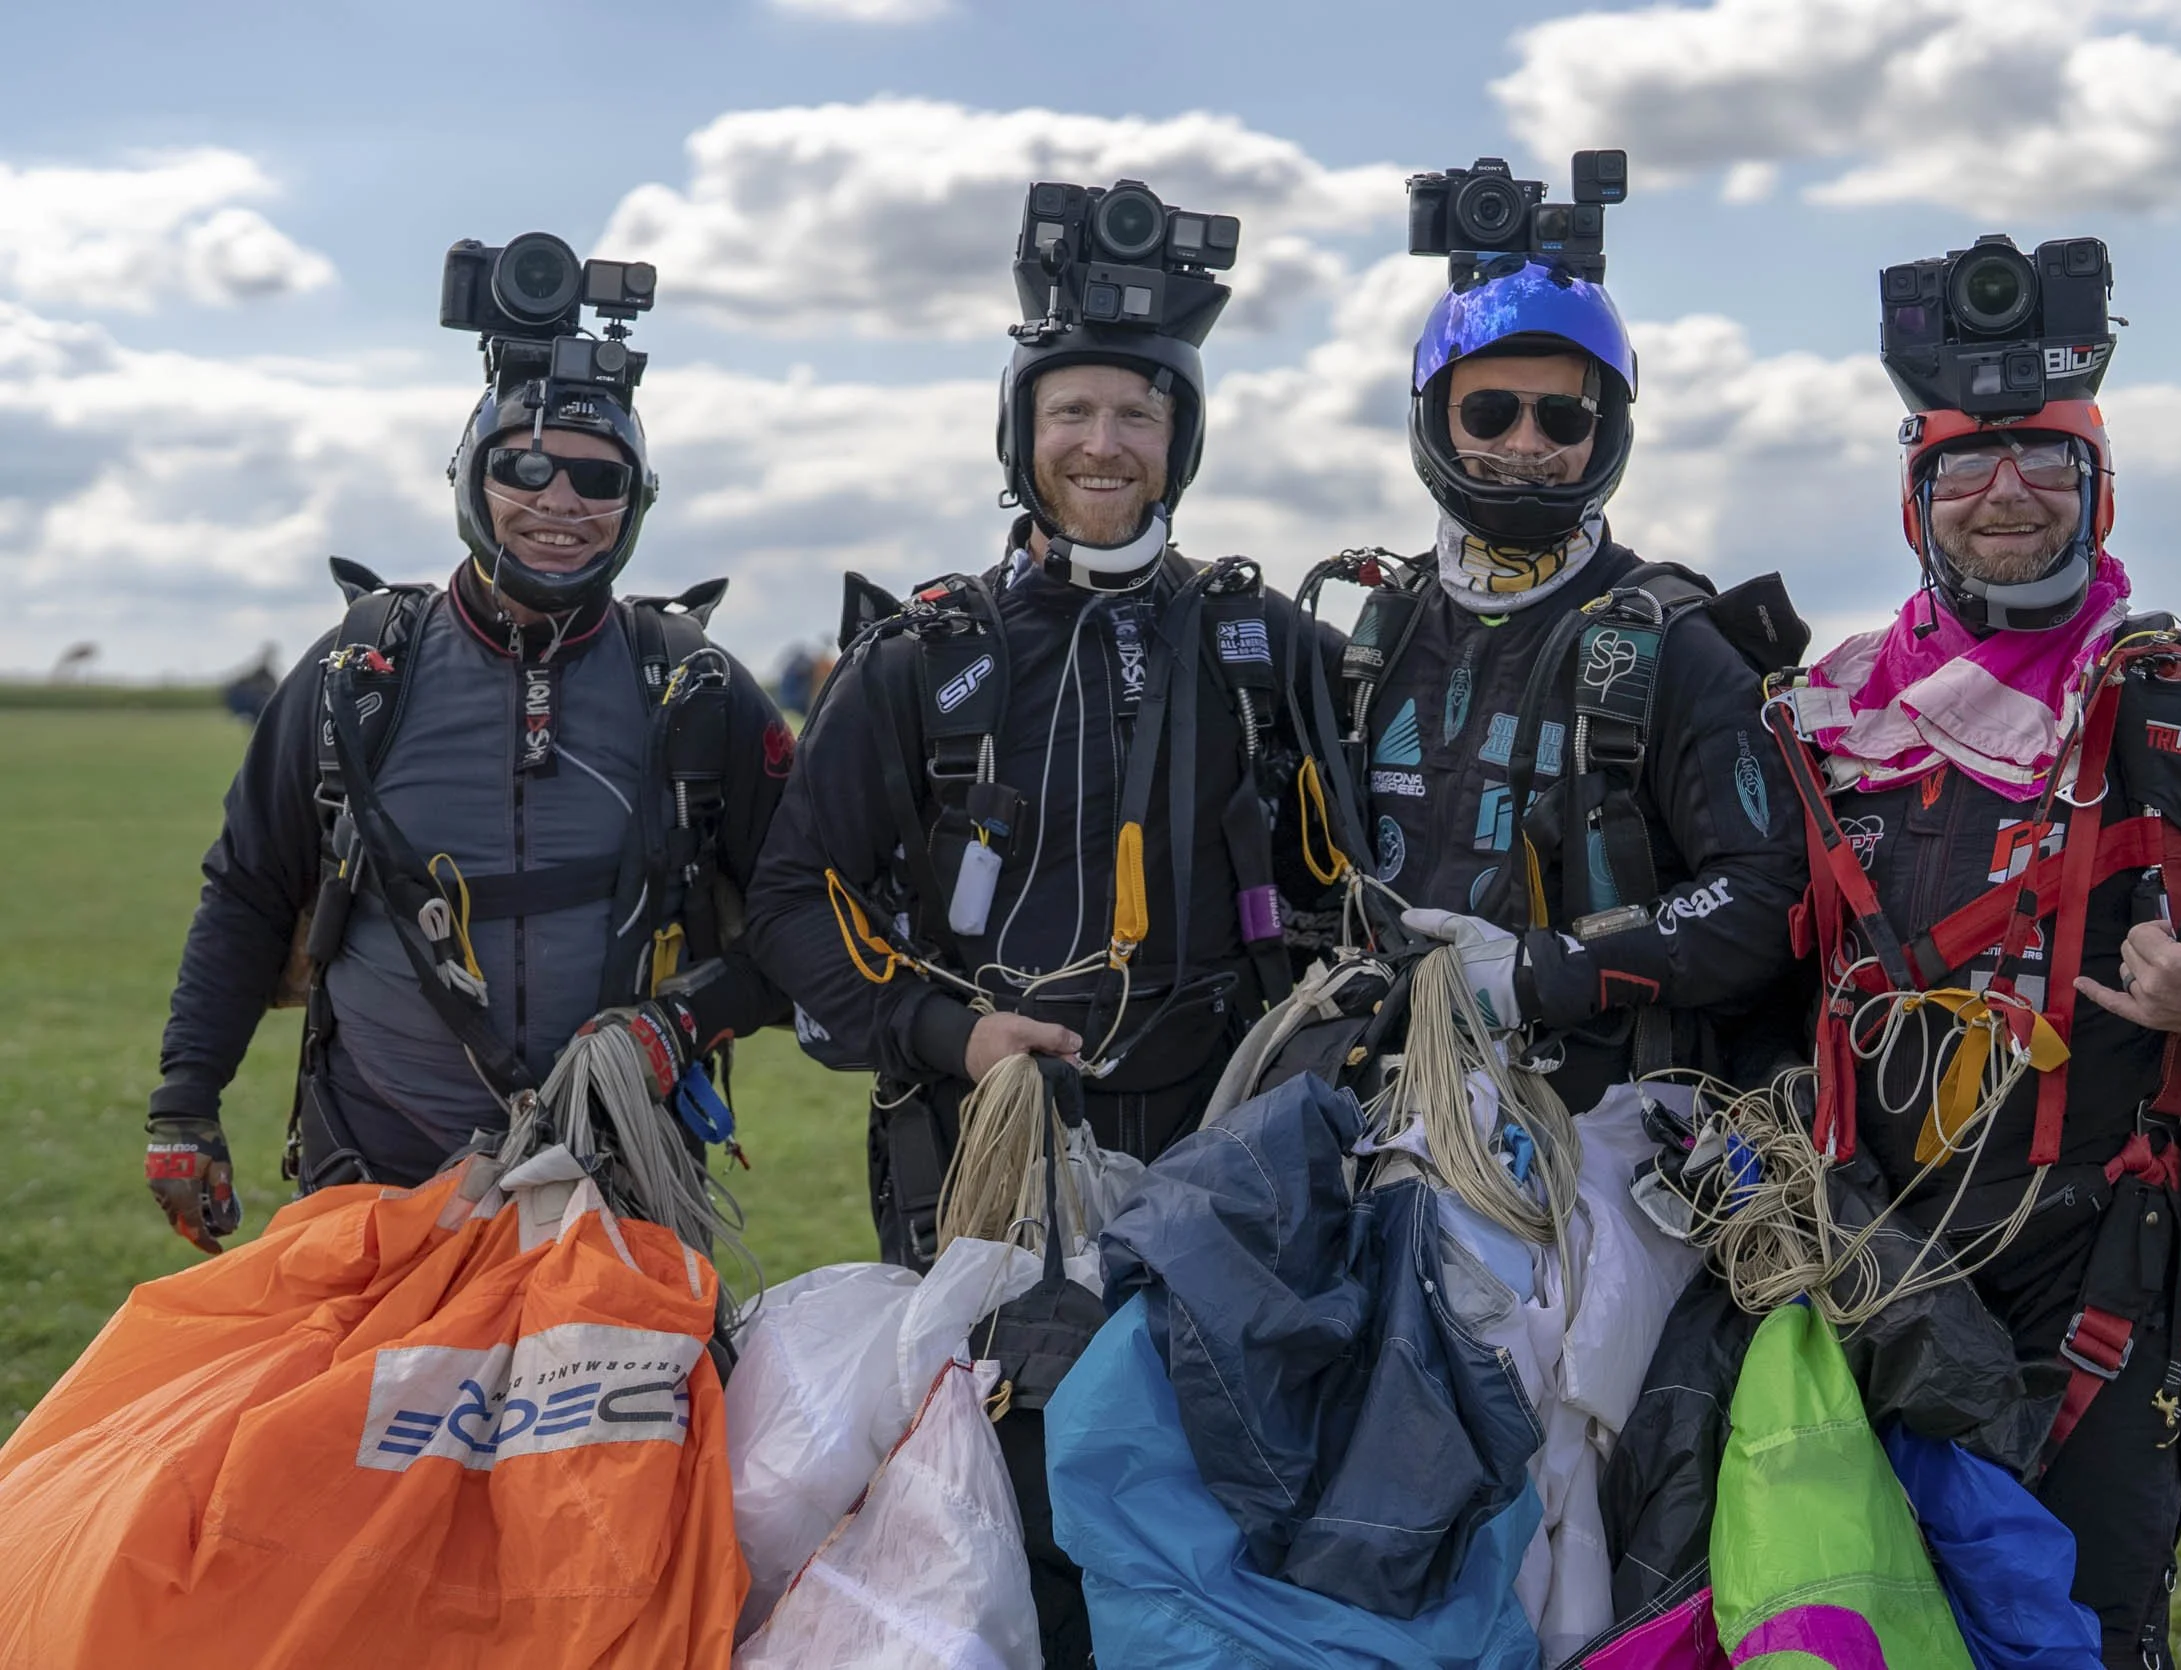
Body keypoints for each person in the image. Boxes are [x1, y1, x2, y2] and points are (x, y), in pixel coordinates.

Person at [739, 177, 1335, 1666]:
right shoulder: (921, 661)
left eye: (1139, 415)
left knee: (1208, 1494)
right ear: (1022, 434)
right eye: (1071, 412)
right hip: (981, 1158)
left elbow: (1377, 857)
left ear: (1179, 442)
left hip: (1223, 1150)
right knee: (1001, 1500)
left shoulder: (1271, 649)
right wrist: (952, 1030)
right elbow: (794, 894)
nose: (1102, 446)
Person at [1767, 234, 2181, 1667]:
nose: (2006, 495)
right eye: (1967, 468)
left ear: (2098, 491)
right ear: (1917, 496)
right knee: (1876, 1619)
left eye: (2046, 463)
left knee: (2090, 1632)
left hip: (2099, 1255)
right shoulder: (1829, 718)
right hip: (1868, 1248)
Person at [146, 234, 791, 1249]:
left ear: (636, 505)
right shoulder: (356, 674)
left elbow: (804, 916)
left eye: (597, 477)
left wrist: (683, 1022)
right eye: (523, 466)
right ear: (469, 480)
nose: (559, 501)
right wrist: (185, 1102)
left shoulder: (695, 687)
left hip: (621, 1177)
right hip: (377, 1169)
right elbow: (247, 888)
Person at [1327, 171, 1810, 1112]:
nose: (1524, 443)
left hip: (1592, 1125)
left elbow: (1767, 897)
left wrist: (1548, 975)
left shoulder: (1675, 644)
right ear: (1436, 417)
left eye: (1562, 416)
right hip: (1375, 1094)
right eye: (1489, 412)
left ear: (1607, 430)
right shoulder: (1376, 636)